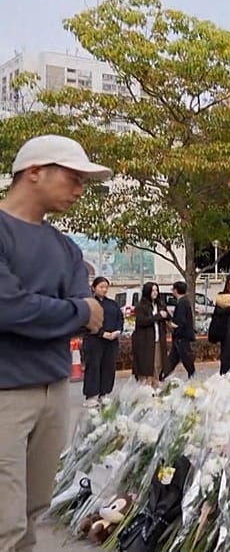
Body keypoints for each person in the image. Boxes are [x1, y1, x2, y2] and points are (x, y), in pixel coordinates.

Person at [0, 134, 108, 552]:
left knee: (32, 510)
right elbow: (9, 309)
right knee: (5, 520)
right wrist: (72, 312)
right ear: (33, 172)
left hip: (54, 389)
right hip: (7, 391)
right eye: (72, 177)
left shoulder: (65, 246)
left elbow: (90, 314)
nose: (79, 190)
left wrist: (68, 312)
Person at [82, 276, 122, 406]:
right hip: (94, 340)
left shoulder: (112, 304)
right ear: (94, 288)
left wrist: (117, 331)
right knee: (93, 366)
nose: (104, 290)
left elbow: (119, 318)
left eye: (106, 287)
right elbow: (86, 322)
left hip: (111, 341)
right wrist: (101, 333)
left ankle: (104, 393)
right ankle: (91, 395)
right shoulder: (89, 303)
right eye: (101, 287)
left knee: (108, 366)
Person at [160, 281, 196, 380]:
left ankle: (192, 375)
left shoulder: (182, 303)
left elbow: (180, 322)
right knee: (173, 358)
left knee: (185, 356)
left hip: (181, 336)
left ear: (176, 290)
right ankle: (163, 375)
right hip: (180, 336)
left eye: (173, 289)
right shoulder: (185, 301)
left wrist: (171, 324)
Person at [131, 283, 166, 385]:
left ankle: (156, 384)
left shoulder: (160, 304)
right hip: (145, 340)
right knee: (147, 365)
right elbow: (142, 321)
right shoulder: (141, 306)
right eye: (152, 290)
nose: (155, 293)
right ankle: (147, 386)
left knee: (158, 364)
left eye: (156, 290)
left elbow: (165, 317)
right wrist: (158, 316)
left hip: (158, 338)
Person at [209, 276, 230, 377]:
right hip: (226, 325)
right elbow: (218, 312)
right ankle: (225, 372)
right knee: (227, 349)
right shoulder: (222, 295)